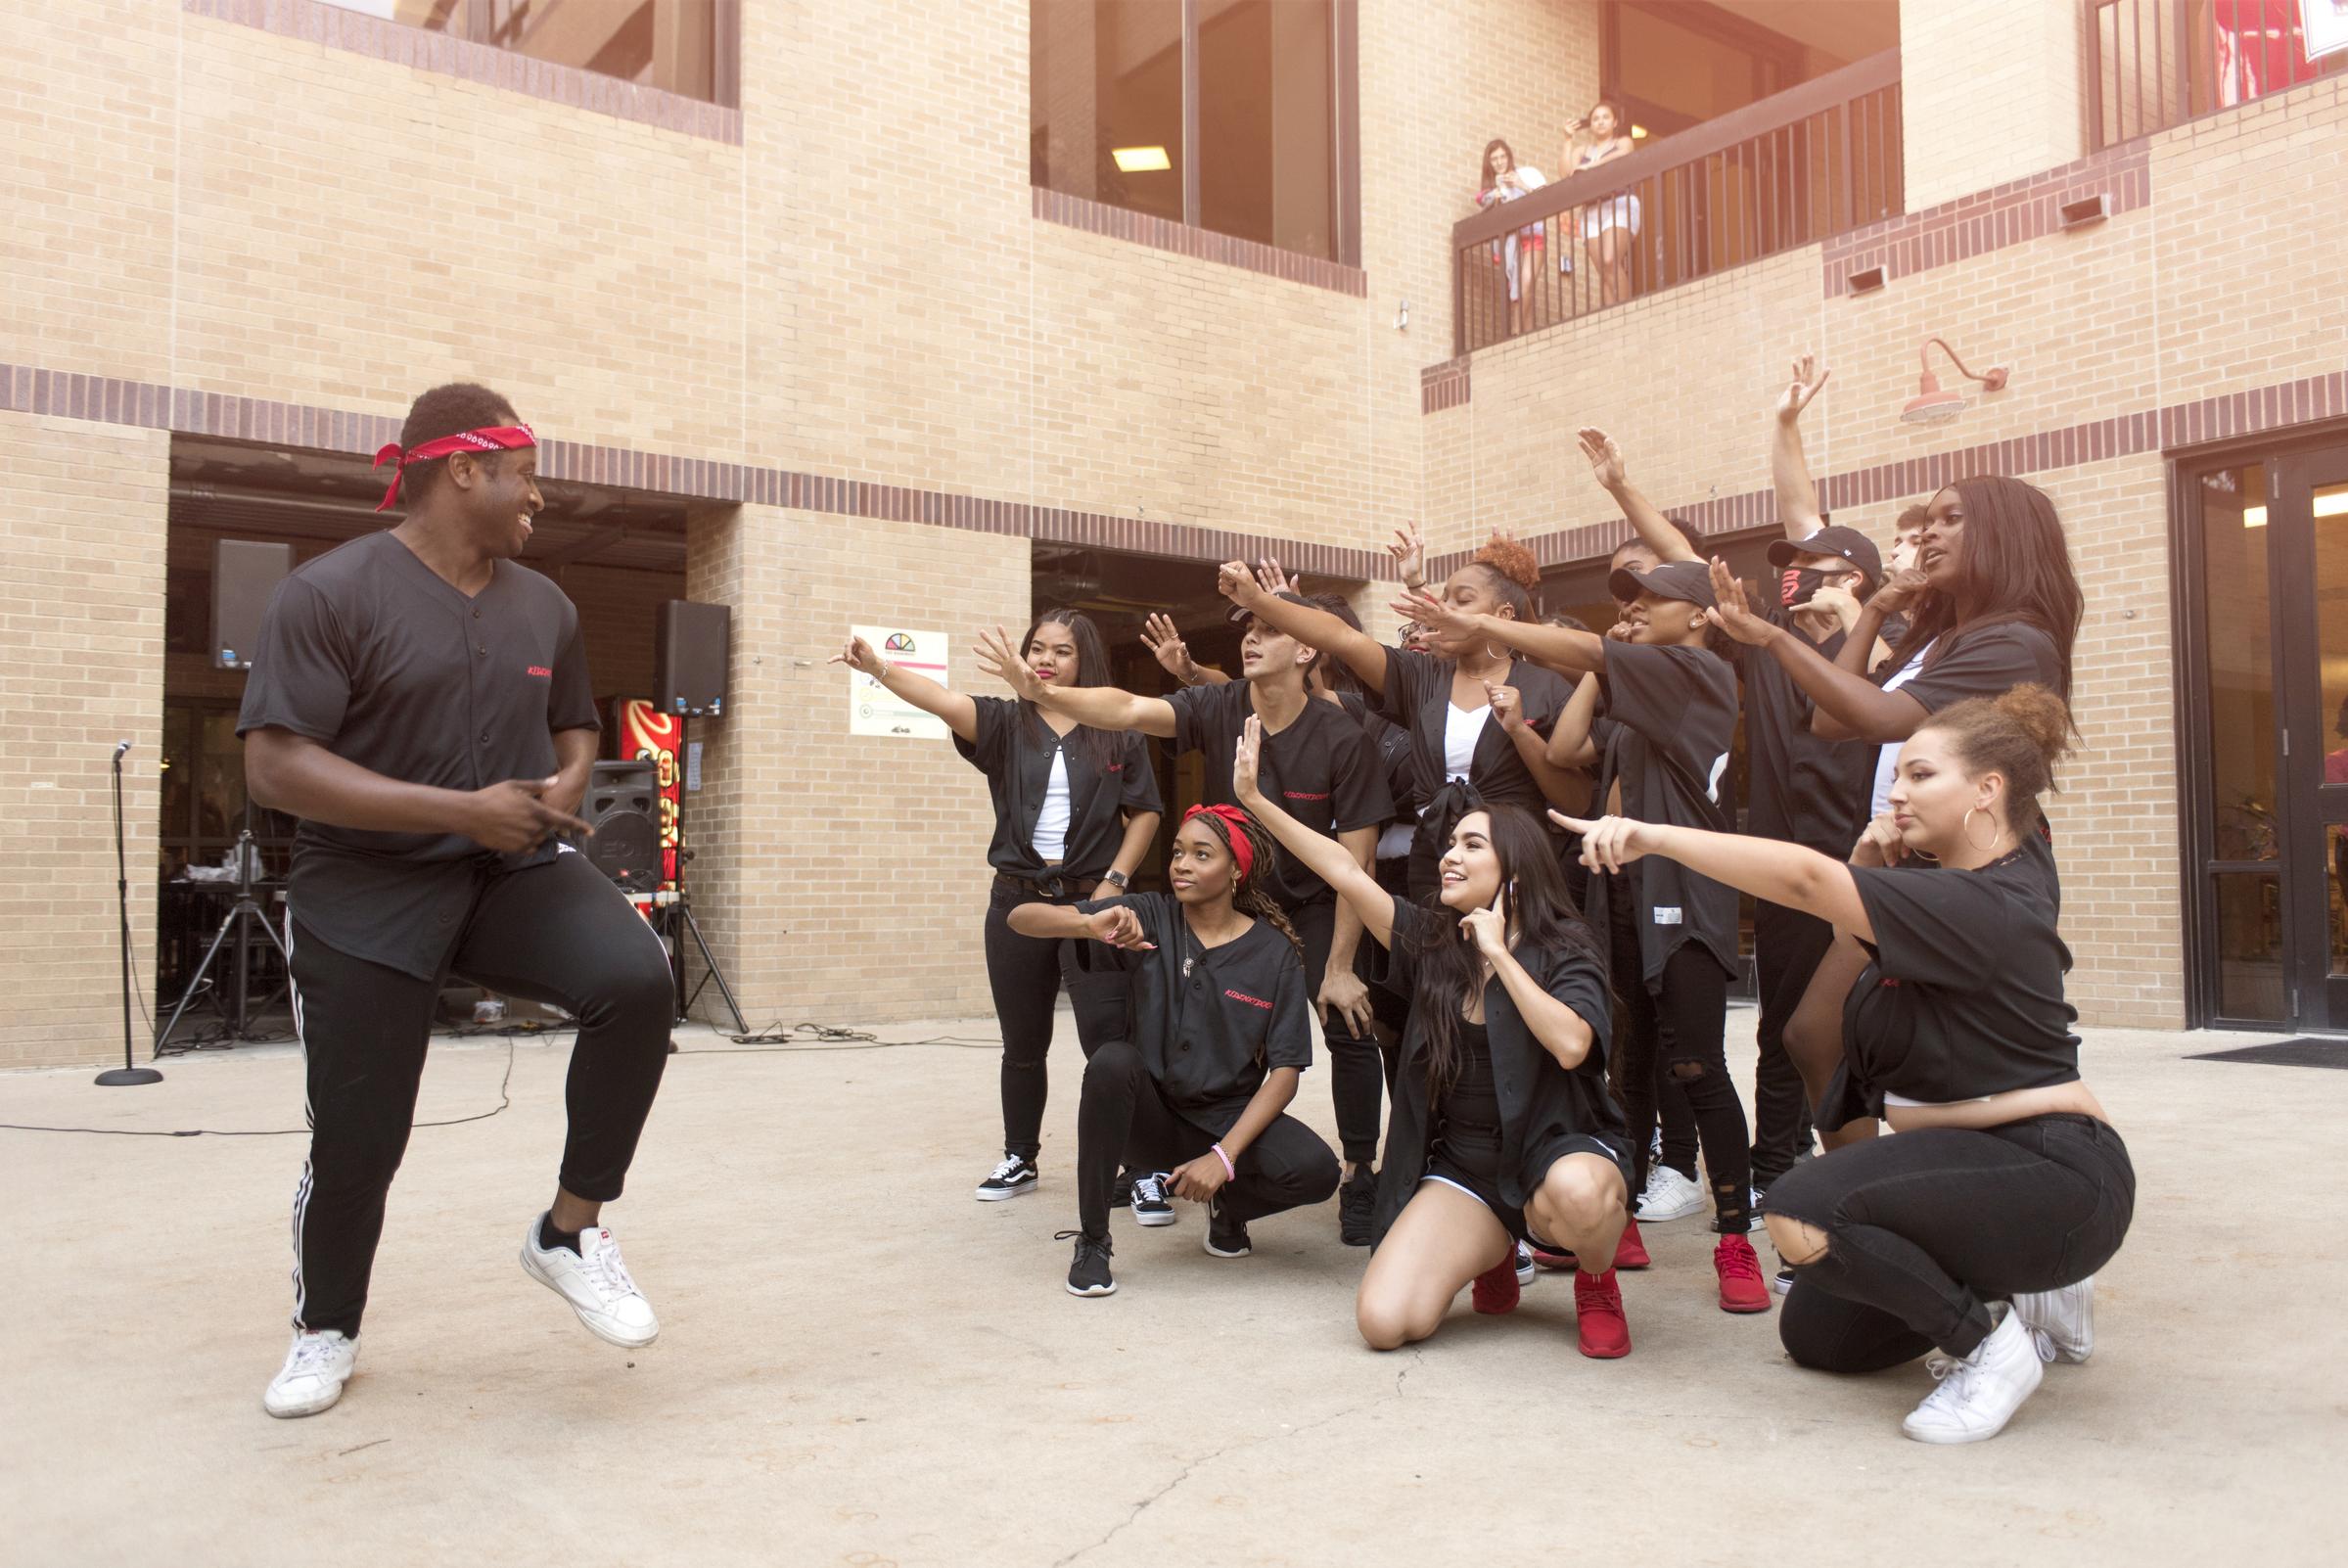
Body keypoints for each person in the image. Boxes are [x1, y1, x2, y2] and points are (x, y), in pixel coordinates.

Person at [237, 384, 676, 1419]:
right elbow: (275, 768)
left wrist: (569, 780)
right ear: (462, 469)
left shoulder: (545, 605)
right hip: (364, 892)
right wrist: (456, 809)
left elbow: (574, 723)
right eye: (524, 475)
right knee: (360, 1136)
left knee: (635, 981)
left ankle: (567, 1234)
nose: (538, 496)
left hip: (507, 873)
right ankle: (325, 1330)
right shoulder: (329, 594)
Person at [1559, 684, 2131, 1444]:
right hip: (1969, 1162)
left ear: (1987, 789)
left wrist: (1655, 837)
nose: (1895, 794)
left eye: (1920, 775)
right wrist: (1865, 871)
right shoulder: (1936, 894)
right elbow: (1814, 1027)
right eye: (1896, 775)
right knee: (1820, 1340)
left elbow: (1802, 879)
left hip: (2055, 1178)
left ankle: (1990, 1349)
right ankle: (2023, 1293)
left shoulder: (1989, 903)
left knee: (1799, 1210)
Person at [1402, 559, 1771, 1314]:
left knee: (1697, 1065)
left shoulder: (1699, 673)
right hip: (1619, 897)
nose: (1630, 614)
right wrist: (1608, 674)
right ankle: (1620, 1219)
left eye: (1649, 604)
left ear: (1698, 616)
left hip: (1684, 898)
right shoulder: (1636, 699)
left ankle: (1736, 1235)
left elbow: (1594, 660)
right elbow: (1568, 751)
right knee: (1626, 1064)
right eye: (1624, 609)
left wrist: (1594, 654)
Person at [976, 604, 1393, 1245]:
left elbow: (1355, 866)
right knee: (1163, 1026)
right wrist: (1043, 691)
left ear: (1309, 649)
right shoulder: (1225, 705)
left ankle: (1359, 1170)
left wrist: (1338, 967)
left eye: (1269, 631)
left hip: (1310, 901)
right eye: (1247, 630)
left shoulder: (1343, 739)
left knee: (1348, 1021)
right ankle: (1155, 1156)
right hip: (1229, 896)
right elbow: (1130, 710)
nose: (1251, 639)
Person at [1234, 715, 1634, 1357]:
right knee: (1384, 1323)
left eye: (1472, 846)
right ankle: (1490, 1253)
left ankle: (1594, 1277)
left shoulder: (1565, 951)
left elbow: (1571, 1046)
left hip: (1554, 1154)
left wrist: (1499, 955)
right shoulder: (1430, 941)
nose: (1449, 856)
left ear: (1516, 872)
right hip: (1467, 1168)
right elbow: (1345, 869)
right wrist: (1254, 802)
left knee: (1580, 1195)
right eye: (1450, 845)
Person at [1612, 359, 1884, 1279]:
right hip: (1779, 868)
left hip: (1871, 873)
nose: (1801, 580)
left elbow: (1811, 522)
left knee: (1866, 1030)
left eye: (1821, 572)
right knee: (1783, 1028)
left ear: (1863, 581)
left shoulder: (1890, 668)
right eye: (1797, 572)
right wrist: (1627, 489)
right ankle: (1776, 1172)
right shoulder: (1763, 646)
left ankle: (1872, 1171)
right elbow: (1692, 567)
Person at [830, 614, 1161, 1202]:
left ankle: (1139, 1167)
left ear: (1085, 660)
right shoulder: (1006, 722)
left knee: (1110, 1042)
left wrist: (1115, 880)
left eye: (1062, 651)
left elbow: (1146, 814)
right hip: (1017, 901)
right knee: (1023, 1043)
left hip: (1096, 899)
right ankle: (1020, 1157)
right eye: (1038, 648)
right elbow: (938, 698)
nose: (1046, 660)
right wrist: (877, 666)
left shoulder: (1116, 726)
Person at [1012, 805, 1341, 1298]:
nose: (1181, 864)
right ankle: (1094, 1241)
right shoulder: (1148, 914)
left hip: (1226, 1118)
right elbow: (1022, 918)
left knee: (1317, 1171)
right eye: (1178, 852)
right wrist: (1089, 925)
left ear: (1235, 870)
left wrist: (1224, 1159)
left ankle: (1229, 1207)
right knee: (1111, 1062)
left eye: (1201, 854)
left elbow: (1286, 1071)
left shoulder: (1274, 954)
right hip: (1150, 1119)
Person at [1226, 527, 1584, 905]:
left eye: (1461, 601)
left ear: (1502, 615)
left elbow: (1575, 800)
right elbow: (1341, 638)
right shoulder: (1422, 676)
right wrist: (1259, 601)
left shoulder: (1545, 687)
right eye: (1442, 598)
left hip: (1514, 868)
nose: (1443, 610)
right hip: (1435, 865)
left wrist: (1518, 732)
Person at [1704, 474, 2084, 822]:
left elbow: (1880, 719)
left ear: (2004, 534)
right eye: (1928, 524)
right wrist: (1875, 609)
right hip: (1906, 857)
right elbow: (1830, 722)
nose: (1930, 534)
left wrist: (1772, 638)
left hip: (1967, 870)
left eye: (1951, 519)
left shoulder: (2013, 642)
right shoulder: (1938, 641)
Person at [1561, 99, 1638, 306]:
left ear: (1614, 122)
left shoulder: (1622, 142)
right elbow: (1566, 174)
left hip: (1619, 202)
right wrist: (1568, 139)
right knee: (1604, 270)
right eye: (1595, 119)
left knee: (1610, 260)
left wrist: (1591, 167)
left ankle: (1626, 311)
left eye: (1605, 117)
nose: (1600, 122)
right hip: (1591, 210)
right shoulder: (1582, 150)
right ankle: (1611, 317)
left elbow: (1623, 155)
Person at [1477, 137, 1548, 336]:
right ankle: (1525, 334)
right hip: (1511, 241)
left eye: (1503, 156)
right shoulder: (1492, 189)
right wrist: (1495, 198)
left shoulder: (1526, 174)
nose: (1500, 162)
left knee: (1525, 283)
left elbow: (1546, 199)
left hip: (1533, 236)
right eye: (1494, 159)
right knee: (1517, 289)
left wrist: (1521, 184)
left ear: (1509, 157)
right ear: (1489, 164)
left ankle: (1518, 331)